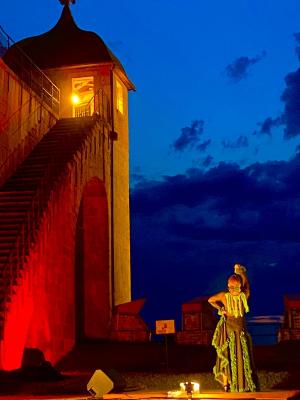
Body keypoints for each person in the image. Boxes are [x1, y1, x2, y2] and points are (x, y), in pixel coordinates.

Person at [208, 264, 257, 392]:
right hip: (230, 329)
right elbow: (210, 300)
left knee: (240, 356)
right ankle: (226, 384)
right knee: (227, 355)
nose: (233, 289)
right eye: (231, 287)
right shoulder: (228, 296)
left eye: (235, 287)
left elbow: (246, 285)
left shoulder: (242, 296)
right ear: (229, 287)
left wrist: (240, 272)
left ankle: (240, 384)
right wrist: (221, 309)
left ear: (238, 287)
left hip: (240, 330)